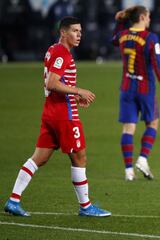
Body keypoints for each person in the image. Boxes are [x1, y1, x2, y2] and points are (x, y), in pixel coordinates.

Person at [4, 16, 111, 217]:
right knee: (80, 157)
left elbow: (56, 84)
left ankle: (13, 200)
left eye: (80, 31)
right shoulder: (62, 53)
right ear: (63, 32)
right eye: (74, 31)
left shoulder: (53, 50)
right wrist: (78, 91)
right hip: (64, 115)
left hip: (52, 111)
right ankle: (86, 206)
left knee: (39, 158)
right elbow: (51, 83)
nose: (79, 35)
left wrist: (73, 95)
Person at [112, 6, 160, 181]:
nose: (150, 20)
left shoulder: (123, 35)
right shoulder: (151, 38)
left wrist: (120, 22)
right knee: (152, 123)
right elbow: (157, 65)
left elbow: (113, 39)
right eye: (149, 17)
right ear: (143, 17)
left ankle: (128, 171)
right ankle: (143, 159)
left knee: (128, 128)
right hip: (145, 88)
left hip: (126, 87)